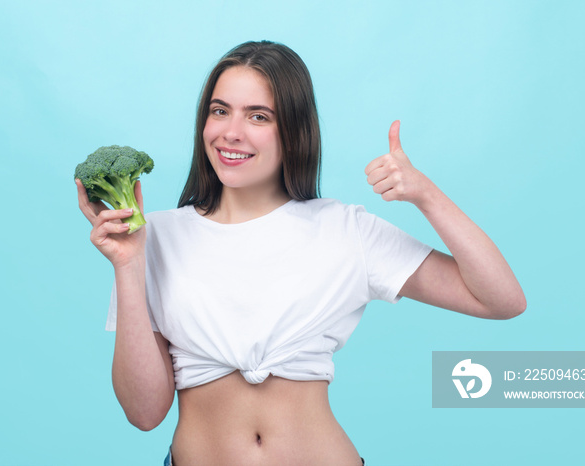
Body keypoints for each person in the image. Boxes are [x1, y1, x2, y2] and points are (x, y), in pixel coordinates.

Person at [76, 40, 526, 466]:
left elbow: (500, 299)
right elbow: (144, 413)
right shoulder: (151, 239)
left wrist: (426, 195)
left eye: (258, 117)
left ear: (292, 132)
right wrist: (128, 265)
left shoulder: (345, 229)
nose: (231, 133)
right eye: (220, 111)